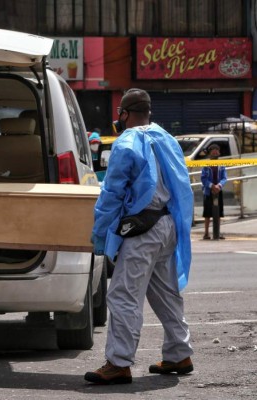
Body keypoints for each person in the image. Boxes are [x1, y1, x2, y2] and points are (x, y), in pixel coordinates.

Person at [85, 88, 194, 385]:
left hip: (142, 230)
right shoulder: (166, 137)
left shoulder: (126, 143)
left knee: (123, 295)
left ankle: (119, 363)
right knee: (165, 293)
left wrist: (98, 234)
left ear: (124, 114)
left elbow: (112, 193)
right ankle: (179, 354)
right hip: (168, 224)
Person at [201, 144, 227, 240]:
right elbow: (203, 179)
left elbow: (224, 178)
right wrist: (211, 186)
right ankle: (206, 233)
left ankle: (217, 232)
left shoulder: (221, 165)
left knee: (219, 213)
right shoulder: (206, 165)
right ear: (209, 153)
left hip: (218, 191)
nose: (215, 152)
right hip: (208, 192)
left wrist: (219, 186)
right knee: (207, 213)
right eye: (213, 150)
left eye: (217, 150)